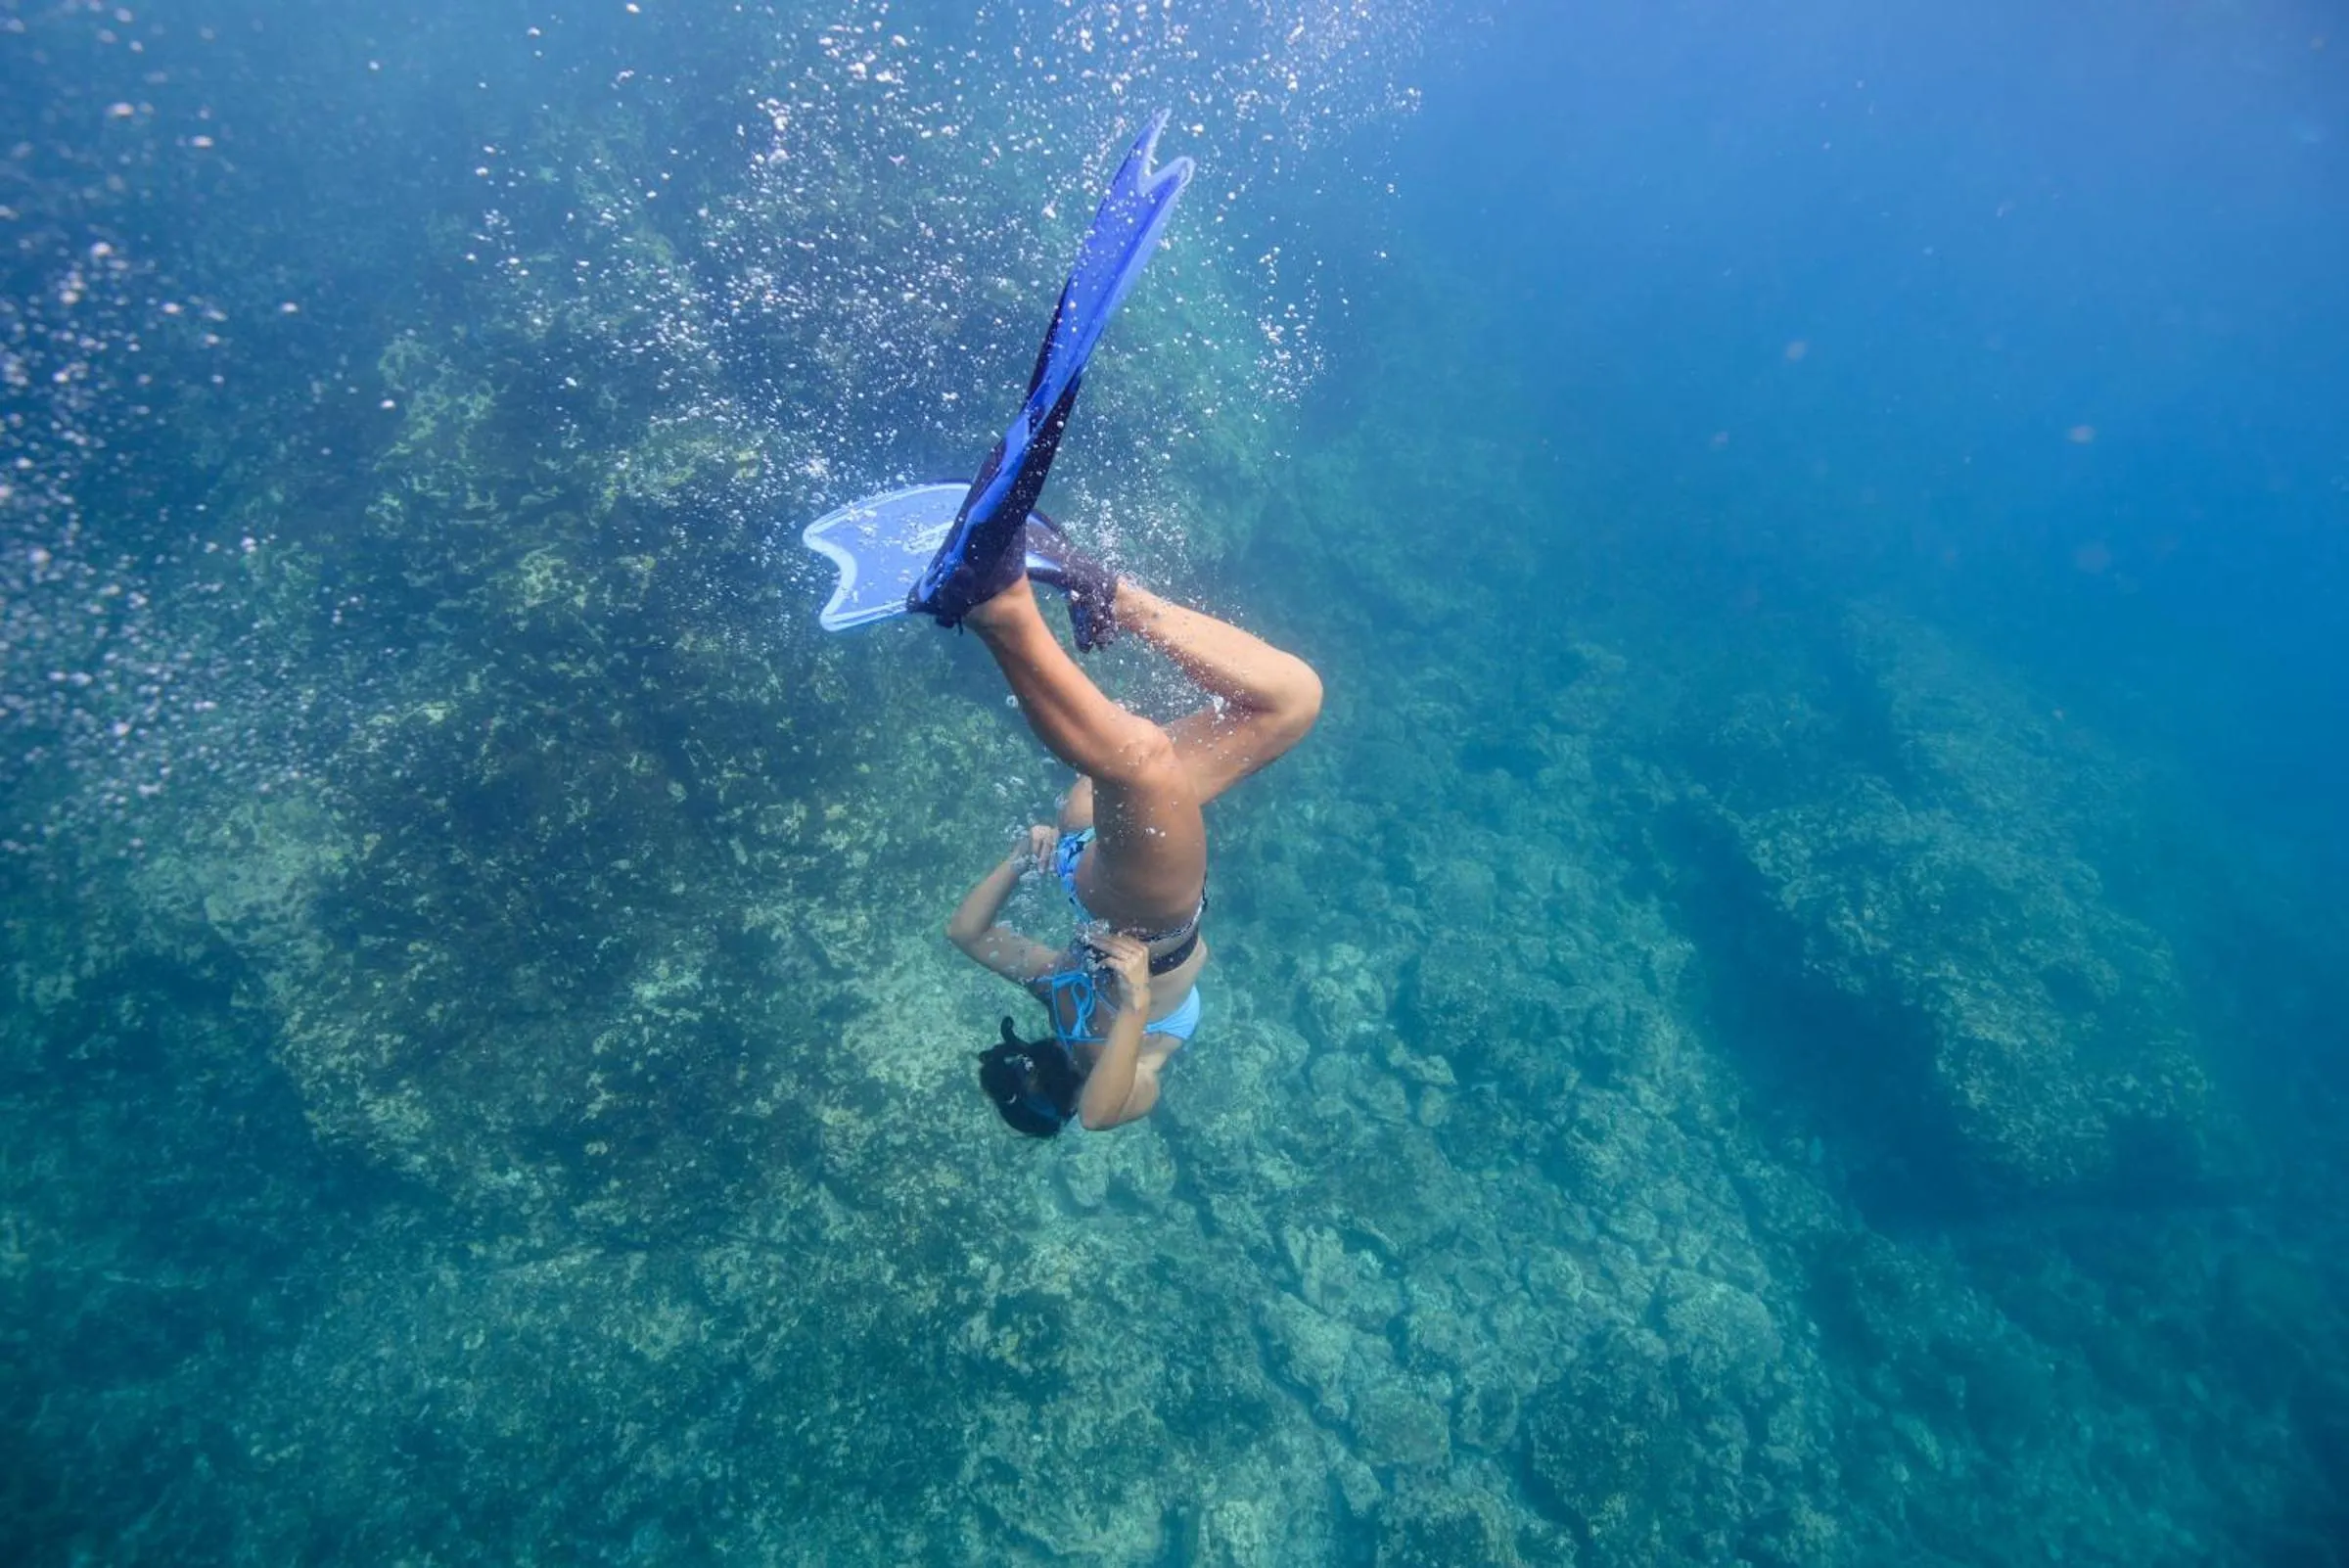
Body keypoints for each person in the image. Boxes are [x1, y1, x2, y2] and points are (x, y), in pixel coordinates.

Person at [944, 557, 1321, 1131]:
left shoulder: (1079, 1022)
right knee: (1287, 706)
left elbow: (1098, 1117)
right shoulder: (1056, 996)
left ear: (1059, 1105)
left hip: (1144, 908)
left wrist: (1138, 1002)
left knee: (1138, 760)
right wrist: (1019, 860)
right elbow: (968, 934)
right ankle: (1109, 595)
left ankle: (996, 607)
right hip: (1094, 854)